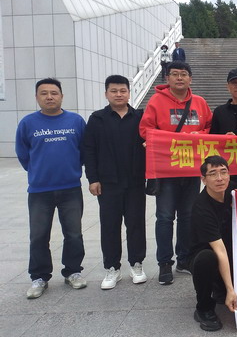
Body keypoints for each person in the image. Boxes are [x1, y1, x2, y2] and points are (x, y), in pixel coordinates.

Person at [140, 61, 213, 285]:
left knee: (188, 216)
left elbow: (210, 127)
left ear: (190, 79)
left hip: (191, 169)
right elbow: (145, 129)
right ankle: (164, 263)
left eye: (183, 74)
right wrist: (166, 139)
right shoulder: (156, 101)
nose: (179, 78)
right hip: (166, 170)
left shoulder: (199, 102)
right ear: (167, 78)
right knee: (164, 217)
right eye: (174, 74)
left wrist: (199, 134)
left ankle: (184, 259)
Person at [15, 78, 87, 299]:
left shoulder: (75, 121)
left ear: (61, 96)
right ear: (37, 97)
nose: (49, 97)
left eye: (54, 93)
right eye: (44, 93)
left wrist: (72, 170)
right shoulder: (28, 123)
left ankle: (73, 271)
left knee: (73, 234)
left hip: (70, 188)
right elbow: (23, 154)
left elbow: (84, 150)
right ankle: (39, 277)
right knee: (38, 236)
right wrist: (38, 172)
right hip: (39, 190)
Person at [83, 75, 147, 290]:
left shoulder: (140, 117)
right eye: (114, 91)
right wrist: (93, 179)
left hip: (135, 181)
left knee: (136, 224)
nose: (119, 94)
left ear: (129, 93)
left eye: (122, 90)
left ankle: (136, 264)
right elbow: (89, 150)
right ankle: (112, 268)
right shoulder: (97, 119)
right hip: (108, 183)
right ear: (106, 94)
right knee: (110, 225)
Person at [190, 156, 237, 331]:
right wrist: (231, 290)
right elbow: (219, 250)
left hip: (227, 247)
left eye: (223, 172)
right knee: (207, 258)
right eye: (213, 174)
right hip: (204, 253)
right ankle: (203, 308)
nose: (219, 178)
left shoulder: (233, 191)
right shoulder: (201, 207)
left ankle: (220, 287)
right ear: (204, 180)